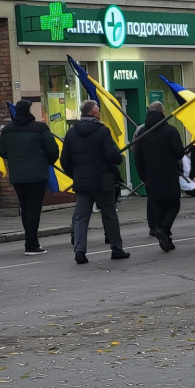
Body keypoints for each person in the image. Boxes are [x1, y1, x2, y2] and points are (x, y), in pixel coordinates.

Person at [60, 99, 129, 264]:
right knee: (109, 214)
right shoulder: (102, 131)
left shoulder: (71, 133)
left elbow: (64, 160)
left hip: (82, 181)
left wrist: (75, 175)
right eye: (97, 111)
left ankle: (79, 251)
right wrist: (118, 158)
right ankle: (116, 249)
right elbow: (112, 155)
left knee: (81, 217)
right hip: (103, 180)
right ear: (94, 113)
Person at [0, 99, 58, 255]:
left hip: (18, 176)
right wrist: (46, 161)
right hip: (37, 175)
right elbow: (52, 150)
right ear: (29, 110)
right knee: (34, 209)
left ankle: (30, 241)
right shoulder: (40, 128)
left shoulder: (8, 130)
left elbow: (1, 151)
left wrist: (14, 157)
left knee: (25, 208)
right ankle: (31, 243)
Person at [133, 101, 185, 253]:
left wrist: (143, 176)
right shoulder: (170, 130)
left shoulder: (142, 133)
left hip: (151, 176)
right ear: (163, 112)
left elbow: (138, 158)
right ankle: (163, 229)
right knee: (174, 204)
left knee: (160, 206)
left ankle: (166, 238)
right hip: (168, 174)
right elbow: (178, 153)